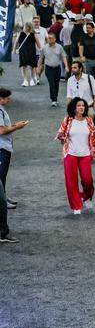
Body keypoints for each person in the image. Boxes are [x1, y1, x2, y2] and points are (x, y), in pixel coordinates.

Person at [56, 97, 95, 214]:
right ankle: (76, 205)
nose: (81, 107)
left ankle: (86, 197)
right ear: (74, 108)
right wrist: (62, 136)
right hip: (70, 154)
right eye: (78, 105)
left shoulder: (89, 121)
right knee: (71, 181)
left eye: (83, 105)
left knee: (88, 180)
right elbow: (60, 133)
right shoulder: (68, 120)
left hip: (85, 154)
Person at [0, 88, 24, 242]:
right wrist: (18, 126)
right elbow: (2, 131)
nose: (9, 100)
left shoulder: (2, 110)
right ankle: (4, 232)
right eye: (7, 98)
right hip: (2, 149)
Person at [39, 31, 68, 107]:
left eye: (51, 38)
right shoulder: (44, 47)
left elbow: (64, 57)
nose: (49, 39)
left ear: (55, 39)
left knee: (56, 84)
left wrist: (67, 66)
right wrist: (38, 68)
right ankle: (53, 100)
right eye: (48, 38)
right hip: (48, 68)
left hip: (57, 68)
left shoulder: (59, 47)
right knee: (51, 84)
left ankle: (55, 98)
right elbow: (41, 58)